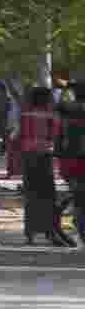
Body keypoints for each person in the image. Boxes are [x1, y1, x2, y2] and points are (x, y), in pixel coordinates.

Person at [20, 86, 64, 246]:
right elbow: (56, 136)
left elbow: (19, 135)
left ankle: (29, 234)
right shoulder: (51, 116)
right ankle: (50, 232)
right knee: (47, 196)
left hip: (29, 158)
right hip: (45, 158)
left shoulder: (25, 114)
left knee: (31, 196)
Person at [57, 82, 85, 245]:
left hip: (70, 163)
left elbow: (59, 140)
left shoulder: (66, 112)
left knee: (78, 199)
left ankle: (80, 229)